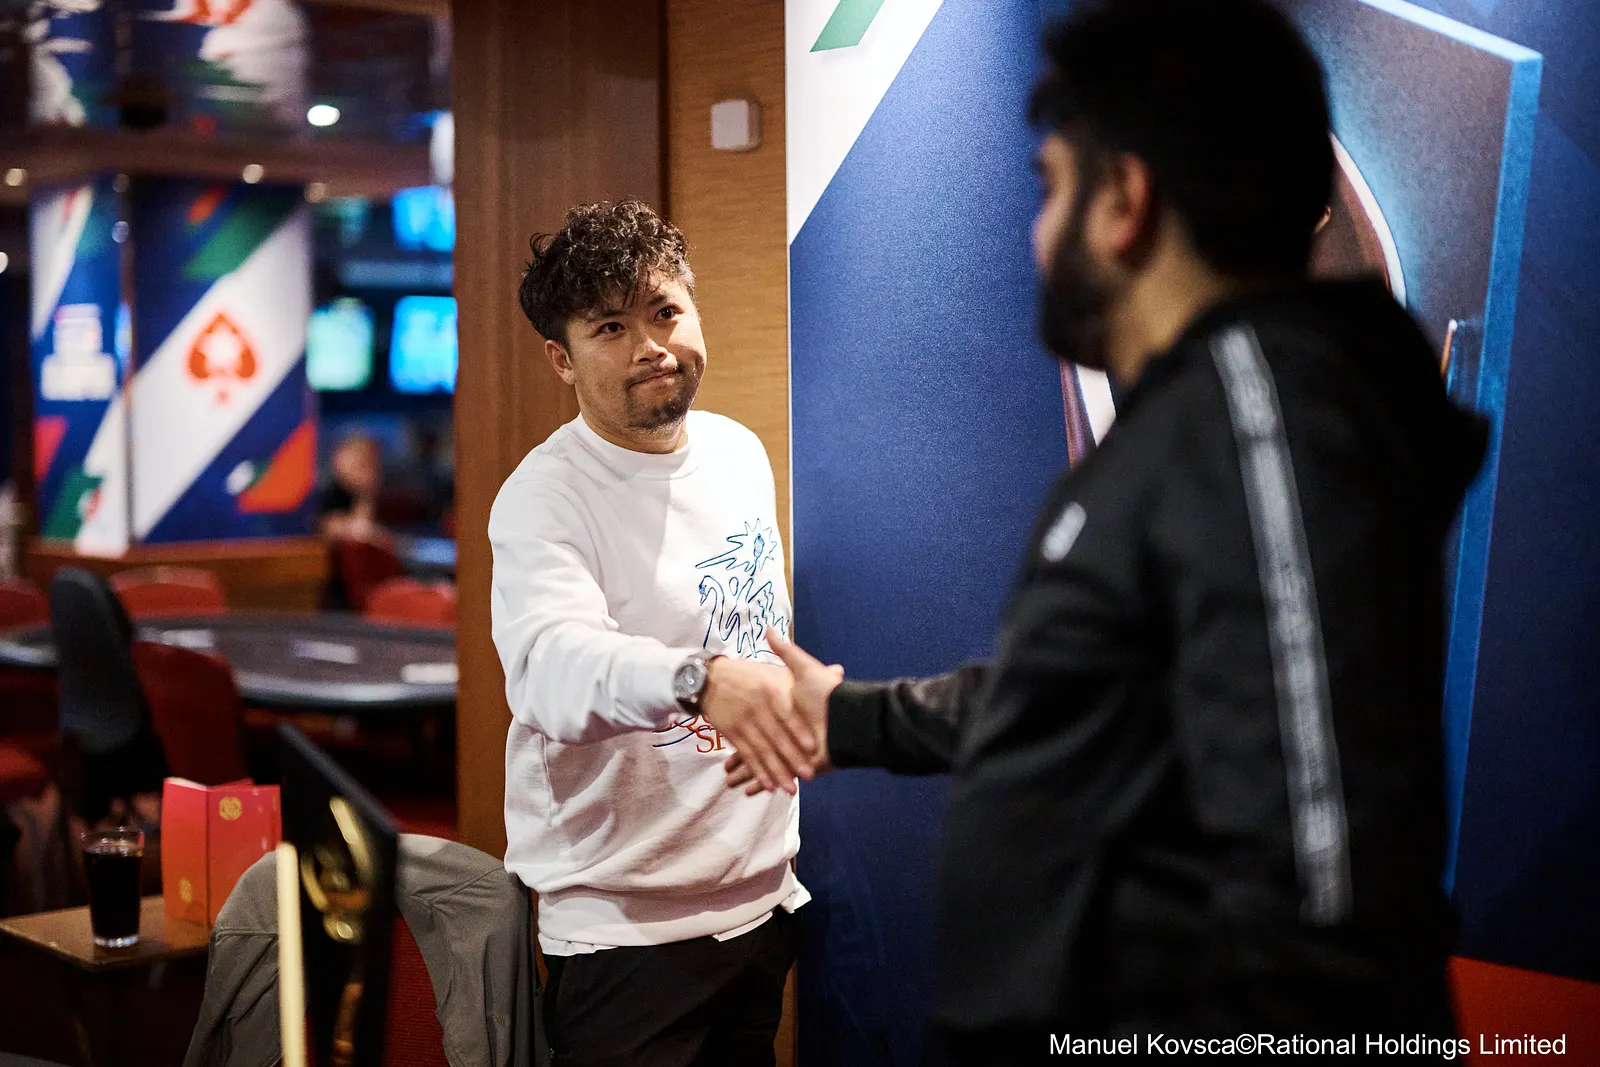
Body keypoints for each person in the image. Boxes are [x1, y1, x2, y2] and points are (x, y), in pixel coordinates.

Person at [729, 0, 1487, 1059]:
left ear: (1125, 199)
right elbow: (1081, 688)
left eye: (1051, 189)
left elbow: (1328, 868)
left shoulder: (1260, 420)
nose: (1036, 234)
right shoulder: (1200, 423)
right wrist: (851, 718)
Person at [490, 200, 818, 1067]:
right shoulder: (544, 498)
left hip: (761, 903)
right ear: (561, 358)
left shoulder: (738, 452)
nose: (651, 345)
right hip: (624, 938)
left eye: (665, 311)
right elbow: (552, 666)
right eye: (610, 326)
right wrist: (697, 680)